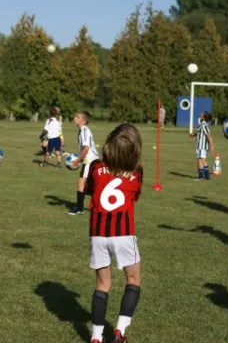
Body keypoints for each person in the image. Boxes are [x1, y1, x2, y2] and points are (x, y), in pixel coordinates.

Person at [84, 123, 143, 343]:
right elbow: (135, 196)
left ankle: (96, 337)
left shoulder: (95, 166)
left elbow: (89, 189)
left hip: (98, 233)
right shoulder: (137, 172)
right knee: (133, 280)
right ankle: (119, 331)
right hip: (124, 233)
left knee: (102, 285)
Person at [68, 111, 99, 215]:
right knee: (91, 185)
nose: (75, 118)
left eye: (77, 117)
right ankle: (82, 208)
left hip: (90, 160)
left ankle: (79, 209)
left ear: (83, 121)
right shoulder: (82, 130)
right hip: (90, 160)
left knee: (81, 183)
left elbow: (86, 148)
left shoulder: (84, 130)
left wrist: (77, 161)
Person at [195, 111, 214, 180]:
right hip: (199, 146)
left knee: (202, 159)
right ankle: (201, 176)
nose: (200, 113)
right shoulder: (201, 125)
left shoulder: (204, 125)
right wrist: (194, 135)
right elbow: (201, 134)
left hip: (202, 146)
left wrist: (211, 145)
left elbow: (208, 135)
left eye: (202, 113)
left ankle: (206, 176)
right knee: (200, 159)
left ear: (204, 117)